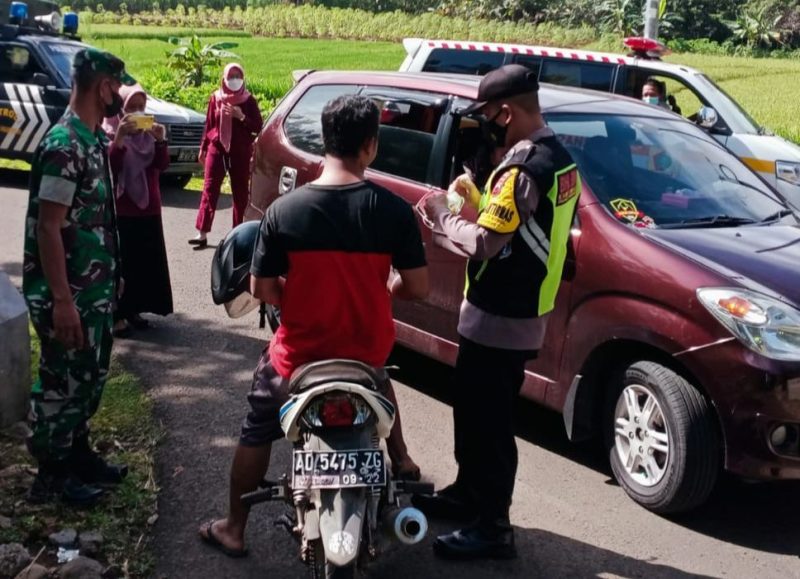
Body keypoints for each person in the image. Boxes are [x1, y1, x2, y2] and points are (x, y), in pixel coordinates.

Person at [198, 94, 429, 557]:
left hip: (297, 359)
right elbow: (418, 288)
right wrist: (385, 288)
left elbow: (263, 289)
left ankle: (234, 528)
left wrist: (299, 299)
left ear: (325, 142)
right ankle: (400, 459)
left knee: (258, 425)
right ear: (371, 146)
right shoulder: (393, 211)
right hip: (365, 354)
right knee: (379, 378)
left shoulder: (285, 212)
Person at [414, 64, 581, 560]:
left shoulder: (524, 167)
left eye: (487, 116)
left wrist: (441, 214)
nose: (484, 126)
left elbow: (486, 243)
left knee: (489, 423)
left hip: (503, 315)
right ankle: (469, 492)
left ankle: (493, 526)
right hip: (521, 309)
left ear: (506, 113)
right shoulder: (560, 159)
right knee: (473, 410)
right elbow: (528, 226)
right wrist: (478, 192)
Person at [22, 48, 136, 505]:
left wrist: (112, 277)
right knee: (59, 382)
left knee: (87, 377)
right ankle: (50, 475)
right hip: (68, 294)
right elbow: (49, 227)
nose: (120, 95)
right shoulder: (64, 145)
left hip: (94, 290)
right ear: (102, 86)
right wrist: (63, 300)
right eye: (117, 86)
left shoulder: (90, 141)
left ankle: (78, 454)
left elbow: (92, 220)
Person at [104, 84, 174, 337]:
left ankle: (135, 309)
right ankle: (118, 314)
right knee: (124, 262)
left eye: (140, 107)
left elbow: (161, 165)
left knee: (144, 262)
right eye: (131, 107)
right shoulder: (110, 129)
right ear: (121, 107)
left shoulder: (148, 135)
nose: (136, 111)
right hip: (123, 208)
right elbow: (112, 165)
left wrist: (161, 140)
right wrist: (120, 137)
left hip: (149, 207)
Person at [189, 63, 263, 249]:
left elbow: (258, 126)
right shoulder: (216, 98)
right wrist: (203, 148)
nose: (235, 80)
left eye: (238, 76)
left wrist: (241, 117)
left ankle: (238, 235)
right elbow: (209, 124)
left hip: (240, 151)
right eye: (232, 76)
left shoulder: (248, 100)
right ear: (224, 78)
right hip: (217, 148)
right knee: (209, 188)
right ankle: (202, 232)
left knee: (240, 194)